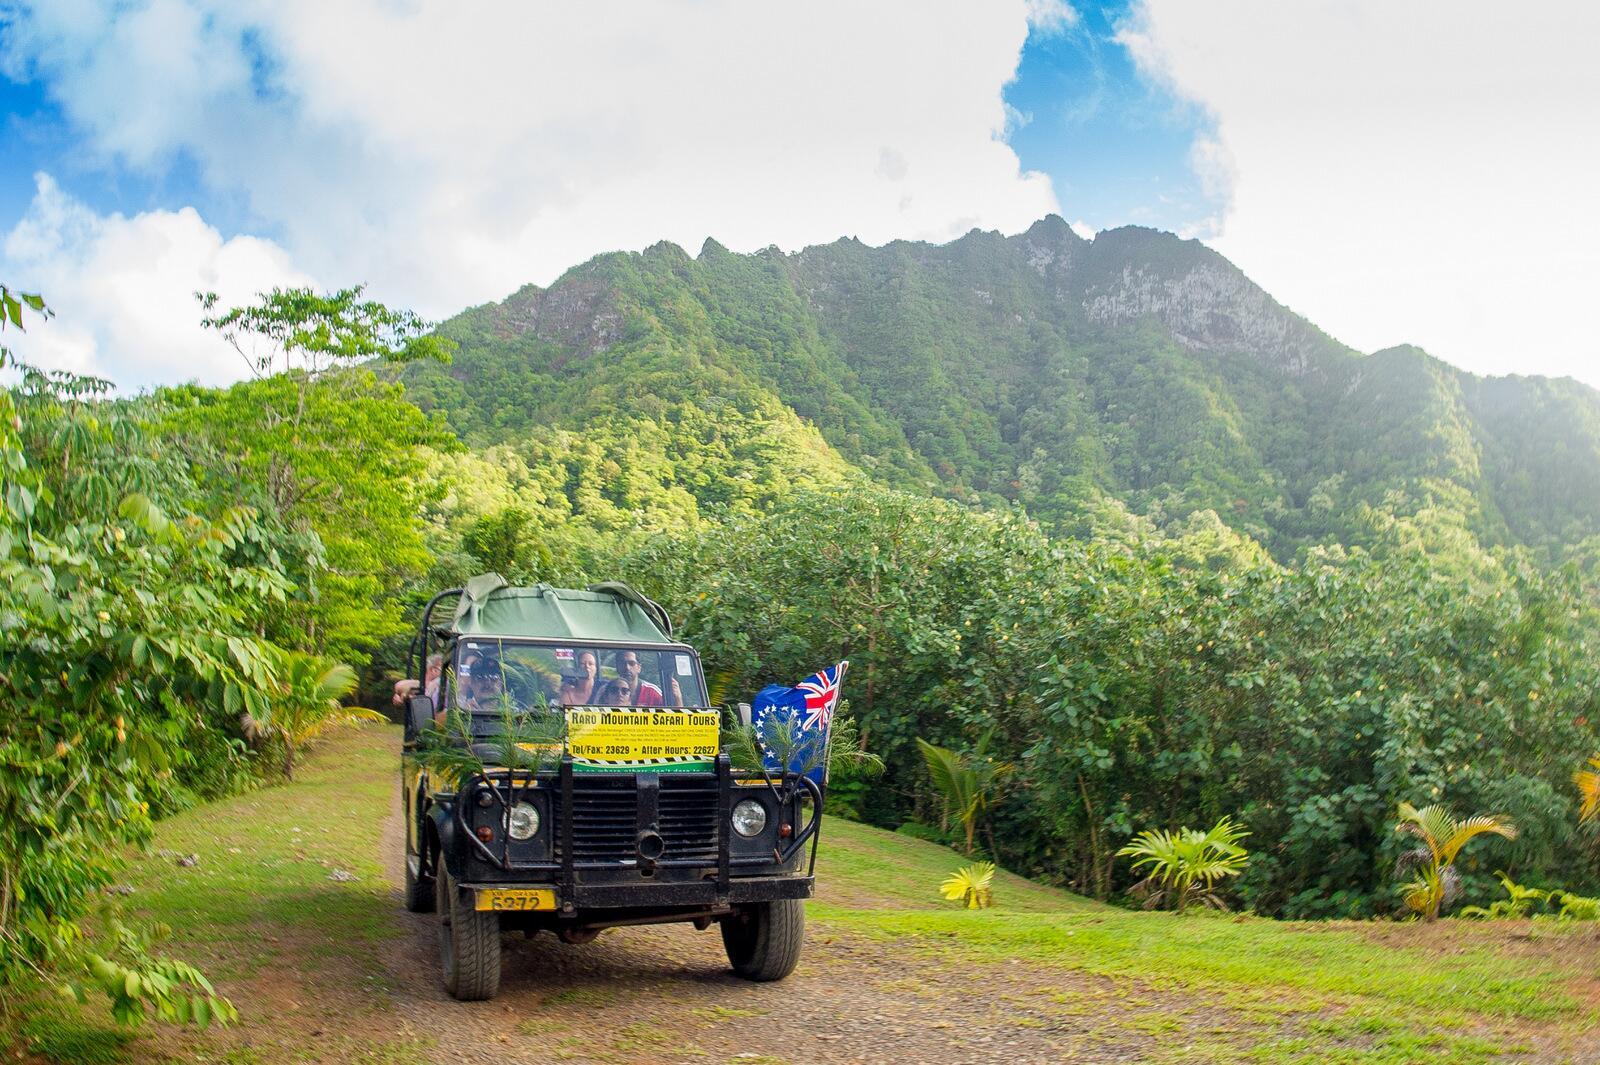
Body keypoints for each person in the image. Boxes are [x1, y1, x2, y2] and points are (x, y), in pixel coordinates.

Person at [612, 650, 683, 707]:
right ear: (617, 666)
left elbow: (676, 719)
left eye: (632, 663)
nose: (627, 667)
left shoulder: (652, 692)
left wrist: (678, 698)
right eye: (622, 663)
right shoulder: (608, 690)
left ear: (639, 668)